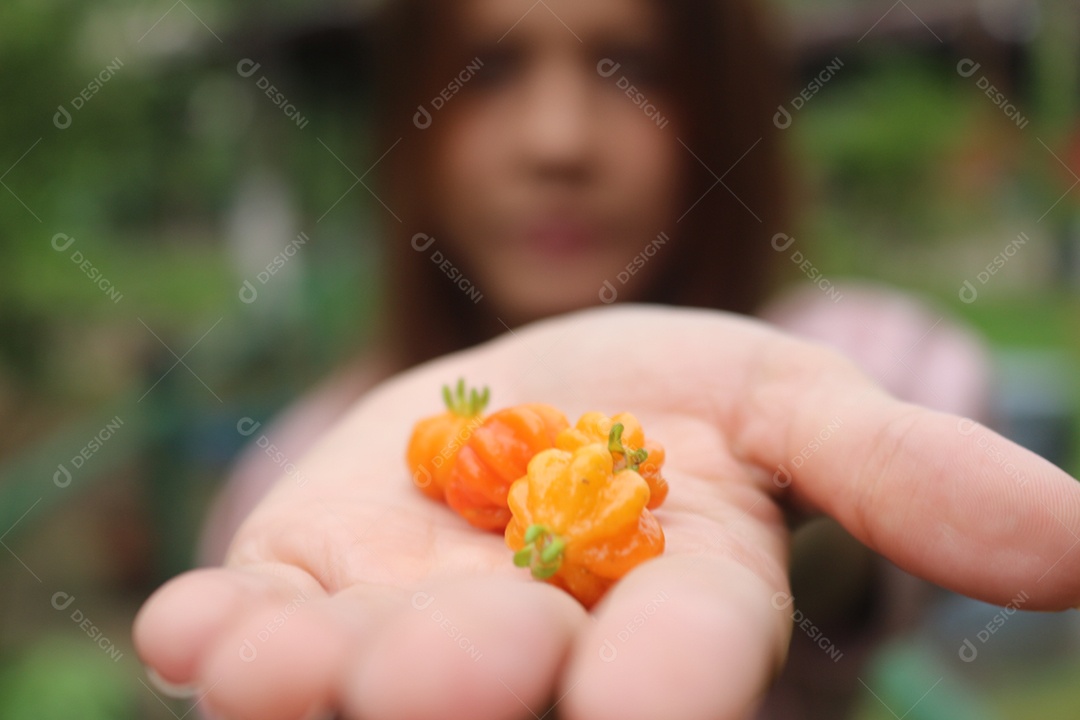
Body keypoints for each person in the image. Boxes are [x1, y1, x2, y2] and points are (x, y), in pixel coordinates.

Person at [133, 1, 1072, 719]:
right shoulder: (300, 477)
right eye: (488, 69)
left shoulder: (850, 354)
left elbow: (908, 420)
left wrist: (793, 498)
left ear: (724, 108)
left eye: (630, 67)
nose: (559, 142)